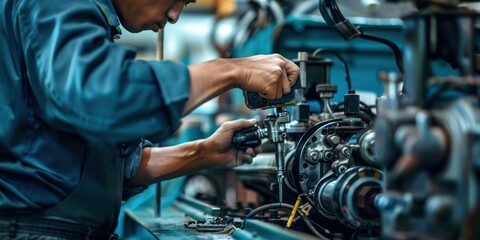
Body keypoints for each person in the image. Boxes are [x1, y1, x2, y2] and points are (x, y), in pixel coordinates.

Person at [0, 0, 299, 239]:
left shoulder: (81, 25)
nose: (174, 16)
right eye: (178, 0)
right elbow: (100, 98)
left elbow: (112, 167)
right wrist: (232, 71)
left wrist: (204, 153)